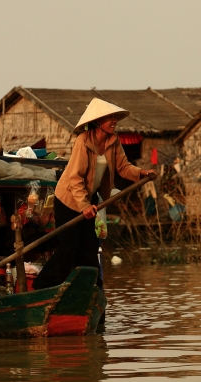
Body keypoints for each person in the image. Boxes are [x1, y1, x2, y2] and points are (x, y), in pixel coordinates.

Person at [33, 98, 155, 290]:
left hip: (89, 200)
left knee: (89, 251)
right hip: (68, 200)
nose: (114, 121)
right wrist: (84, 206)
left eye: (115, 117)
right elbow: (75, 178)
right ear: (98, 121)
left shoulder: (113, 141)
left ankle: (94, 293)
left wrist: (141, 173)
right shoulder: (83, 141)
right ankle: (42, 287)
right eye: (109, 118)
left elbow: (123, 167)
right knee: (68, 249)